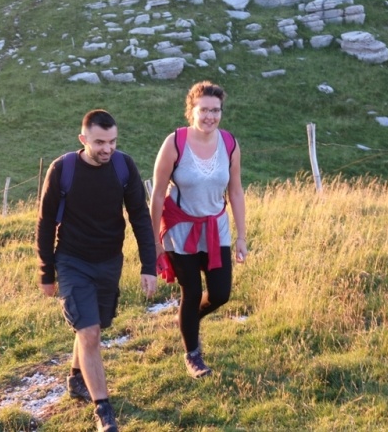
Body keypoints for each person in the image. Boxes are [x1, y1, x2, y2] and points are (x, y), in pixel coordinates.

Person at [36, 109, 157, 432]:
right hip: (72, 261)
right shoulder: (63, 169)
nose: (108, 148)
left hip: (109, 261)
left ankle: (77, 377)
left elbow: (140, 217)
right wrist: (46, 272)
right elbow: (45, 224)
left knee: (95, 326)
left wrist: (149, 265)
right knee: (89, 332)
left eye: (112, 141)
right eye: (100, 142)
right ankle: (103, 410)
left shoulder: (123, 166)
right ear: (83, 139)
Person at [150, 81, 247, 379]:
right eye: (204, 110)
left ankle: (188, 321)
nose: (210, 116)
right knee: (191, 292)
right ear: (191, 110)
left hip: (216, 228)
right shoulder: (175, 142)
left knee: (220, 294)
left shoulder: (229, 143)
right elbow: (157, 193)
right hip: (180, 230)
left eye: (215, 110)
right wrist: (154, 242)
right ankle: (192, 354)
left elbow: (235, 191)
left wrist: (242, 236)